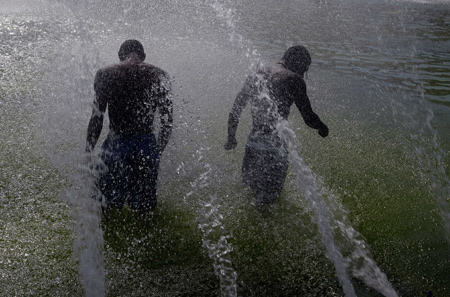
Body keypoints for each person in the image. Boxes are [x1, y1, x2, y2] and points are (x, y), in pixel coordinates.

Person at [224, 45, 328, 204]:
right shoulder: (293, 79)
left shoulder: (256, 74)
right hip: (274, 150)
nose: (303, 73)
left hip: (252, 145)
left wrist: (231, 137)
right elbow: (308, 118)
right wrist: (322, 127)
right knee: (268, 204)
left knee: (247, 196)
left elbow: (235, 110)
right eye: (305, 68)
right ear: (298, 62)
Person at [85, 39, 173, 211]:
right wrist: (157, 151)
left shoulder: (106, 74)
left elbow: (97, 117)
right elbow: (167, 122)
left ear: (119, 56)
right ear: (144, 56)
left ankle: (106, 235)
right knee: (144, 210)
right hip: (146, 145)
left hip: (116, 144)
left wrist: (88, 151)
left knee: (104, 205)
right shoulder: (159, 75)